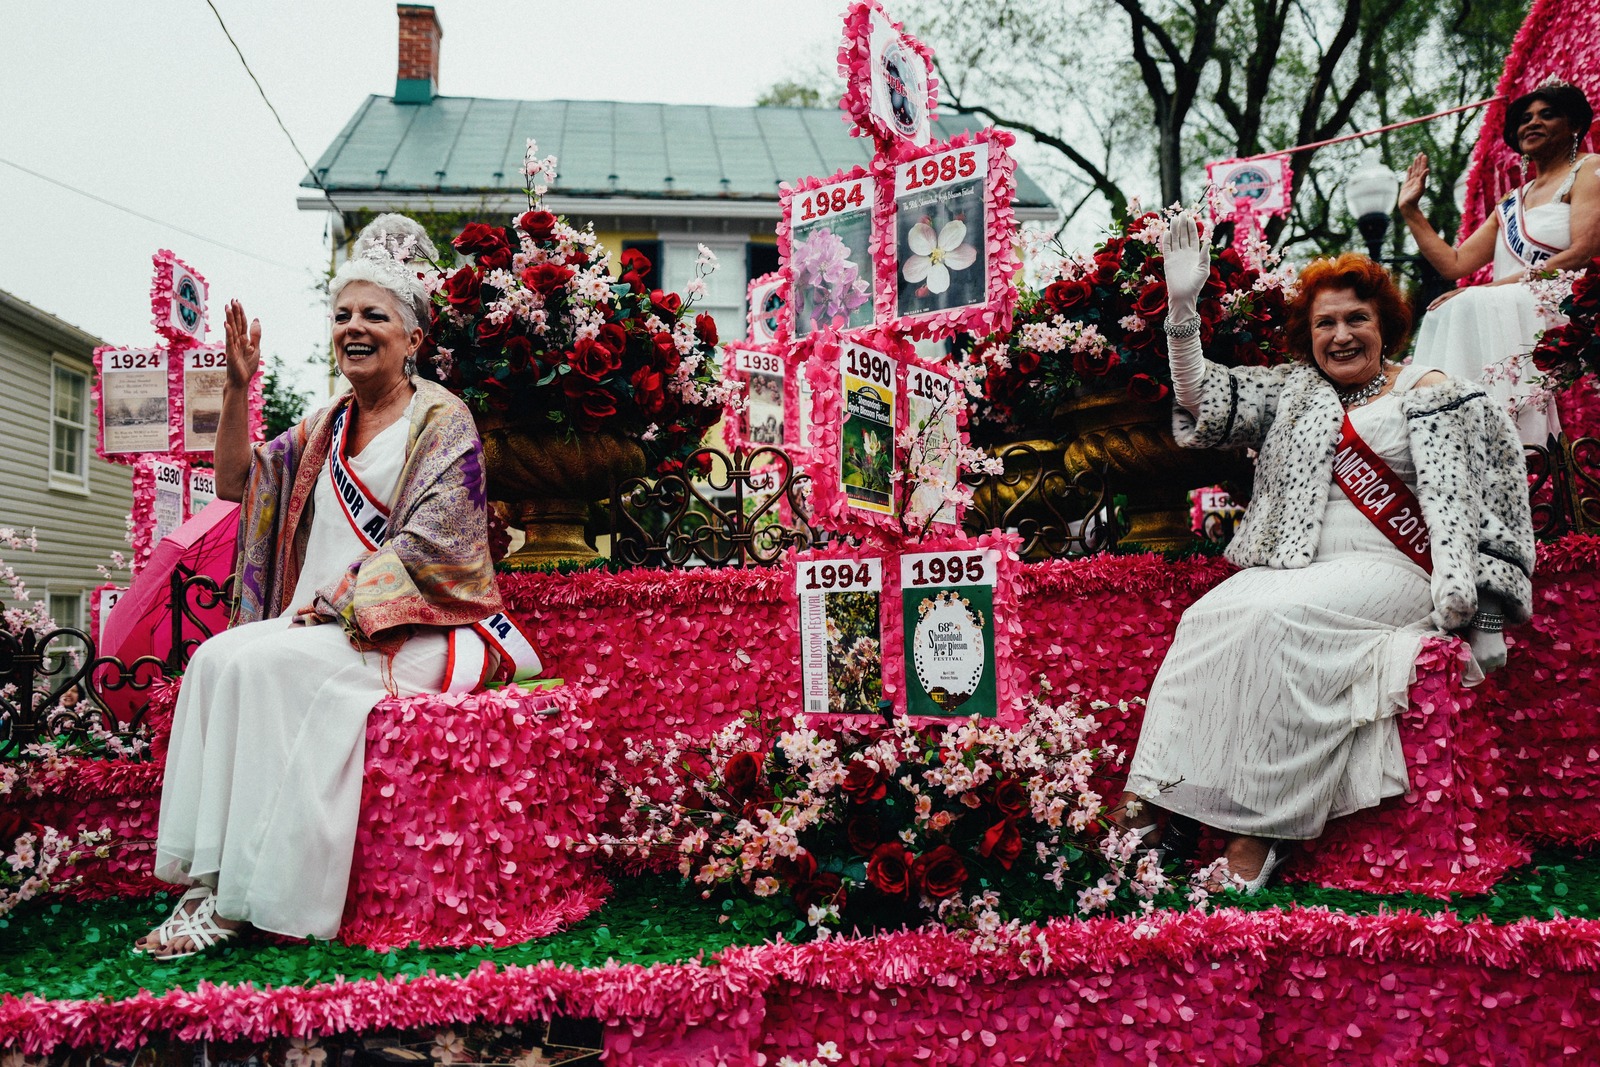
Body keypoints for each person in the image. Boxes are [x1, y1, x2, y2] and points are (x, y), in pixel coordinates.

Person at [136, 215, 532, 957]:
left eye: (374, 315)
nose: (354, 328)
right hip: (314, 622)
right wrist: (236, 386)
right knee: (216, 659)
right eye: (343, 314)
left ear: (413, 336)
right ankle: (209, 877)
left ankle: (238, 897)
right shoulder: (323, 422)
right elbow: (236, 483)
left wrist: (345, 597)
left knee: (263, 665)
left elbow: (436, 542)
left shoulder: (443, 418)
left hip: (414, 628)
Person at [1118, 217, 1535, 891]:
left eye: (1357, 319)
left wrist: (1484, 618)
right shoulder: (1295, 391)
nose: (1341, 335)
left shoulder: (1433, 390)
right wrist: (1183, 311)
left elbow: (1487, 506)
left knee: (1278, 620)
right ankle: (1156, 805)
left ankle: (1260, 830)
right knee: (1207, 618)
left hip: (1397, 570)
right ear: (1308, 337)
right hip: (1298, 566)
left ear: (1386, 324)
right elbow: (1204, 401)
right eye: (1325, 323)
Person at [1400, 78, 1599, 444]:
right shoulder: (1512, 201)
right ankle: (1452, 434)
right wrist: (1411, 211)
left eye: (1547, 114)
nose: (1532, 123)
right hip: (1510, 303)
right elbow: (1454, 264)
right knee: (1441, 310)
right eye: (1525, 118)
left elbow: (1582, 252)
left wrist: (1487, 288)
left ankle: (1518, 440)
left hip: (1564, 302)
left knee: (1470, 300)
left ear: (1573, 125)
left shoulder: (1589, 169)